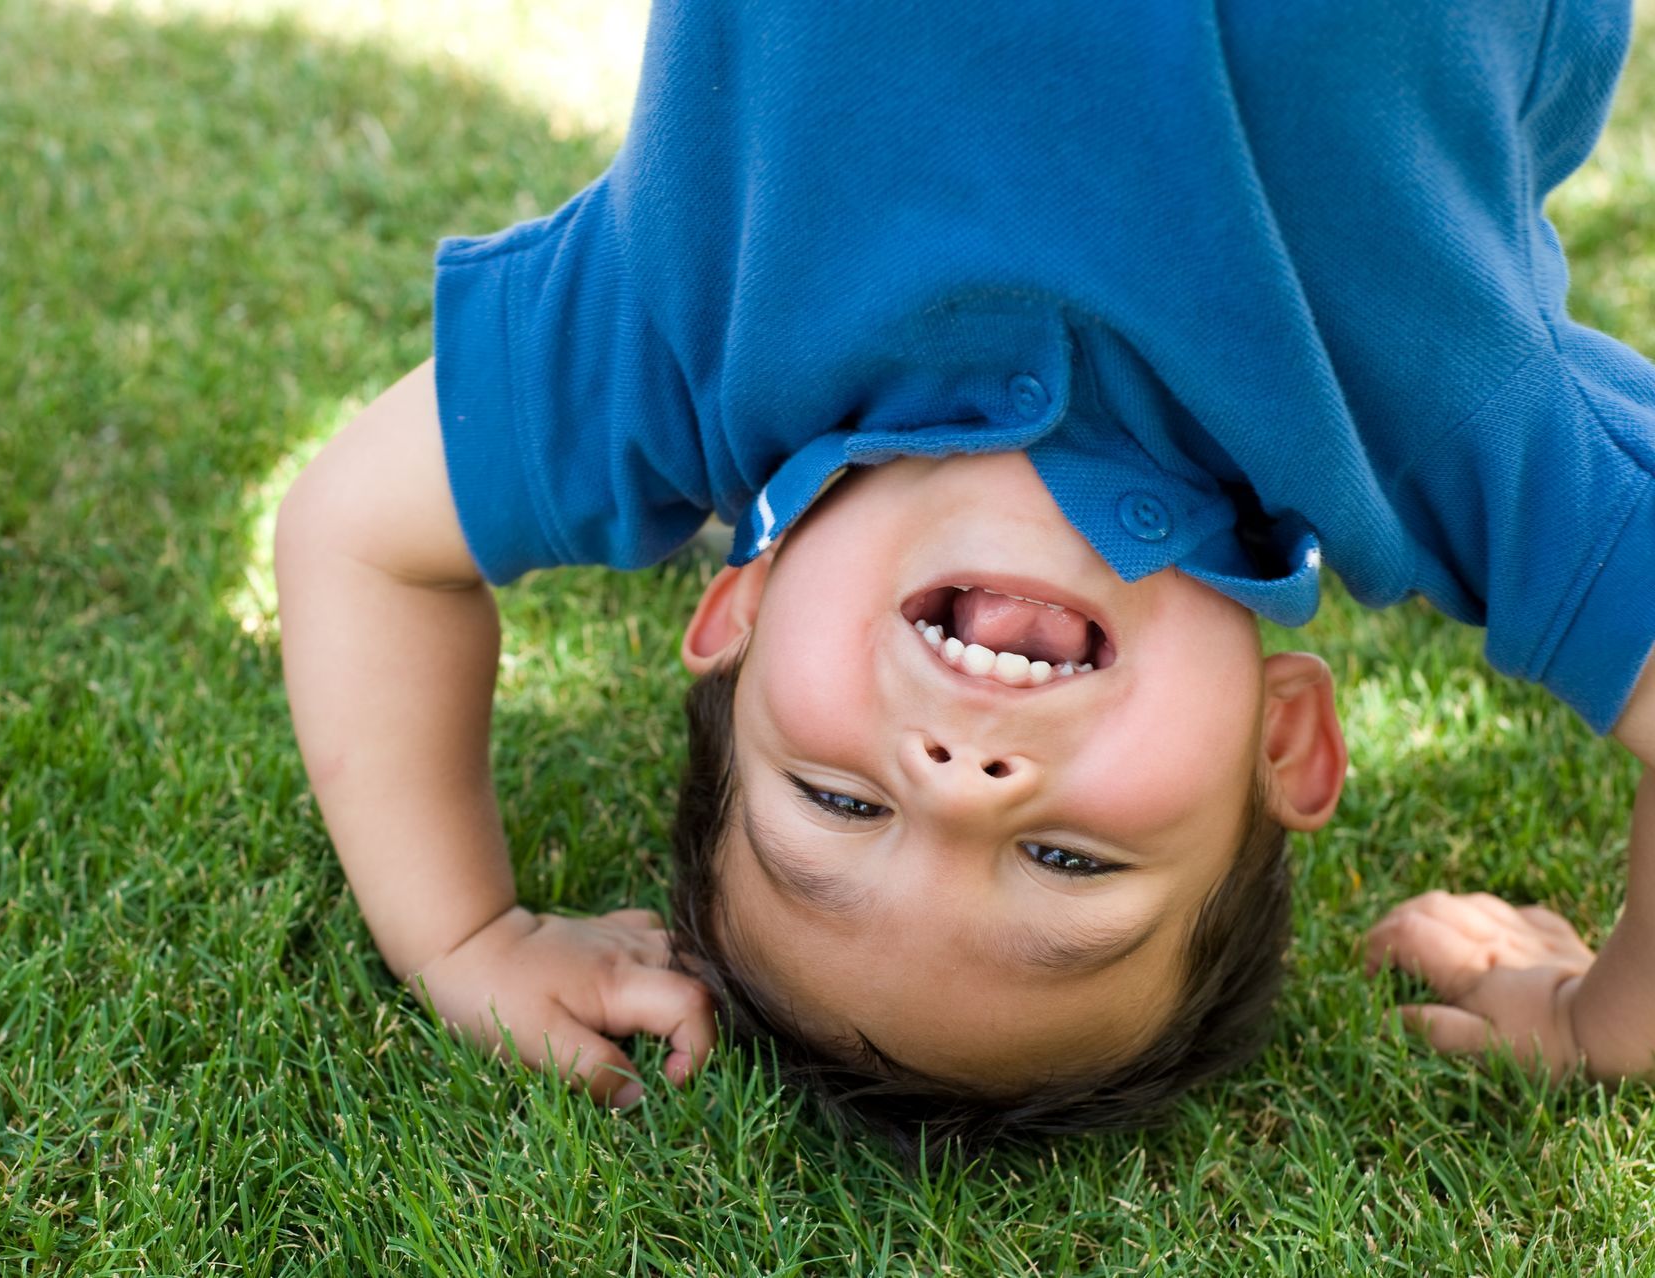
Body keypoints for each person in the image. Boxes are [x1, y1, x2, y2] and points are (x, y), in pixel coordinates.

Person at [274, 0, 1655, 1142]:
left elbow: (356, 535)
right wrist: (1605, 1023)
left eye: (837, 800)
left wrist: (463, 935)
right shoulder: (1420, 411)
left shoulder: (696, 318)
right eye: (1064, 860)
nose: (955, 782)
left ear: (739, 612)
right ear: (1283, 742)